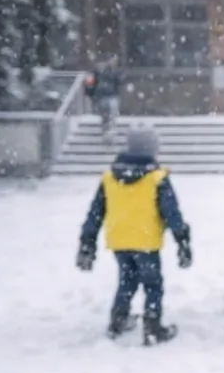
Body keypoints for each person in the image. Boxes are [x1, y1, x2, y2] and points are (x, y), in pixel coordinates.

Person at [77, 123, 192, 345]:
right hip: (146, 240)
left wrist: (87, 240)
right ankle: (152, 326)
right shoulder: (157, 178)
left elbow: (95, 212)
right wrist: (183, 240)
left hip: (119, 240)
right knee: (153, 284)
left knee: (127, 280)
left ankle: (118, 320)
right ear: (152, 148)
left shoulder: (110, 177)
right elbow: (172, 213)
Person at [84, 57, 122, 144]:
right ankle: (107, 133)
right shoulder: (103, 72)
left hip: (109, 96)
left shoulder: (112, 72)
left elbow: (118, 82)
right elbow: (92, 83)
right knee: (107, 115)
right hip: (104, 96)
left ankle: (109, 133)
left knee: (111, 114)